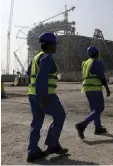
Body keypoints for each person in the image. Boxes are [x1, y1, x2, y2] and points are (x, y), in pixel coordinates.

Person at [26, 32, 68, 162]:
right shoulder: (47, 58)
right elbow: (42, 77)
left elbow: (28, 74)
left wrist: (36, 93)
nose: (56, 47)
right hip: (46, 95)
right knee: (60, 116)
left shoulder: (35, 58)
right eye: (55, 44)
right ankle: (52, 144)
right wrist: (43, 95)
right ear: (49, 45)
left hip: (32, 94)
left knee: (37, 122)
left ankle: (32, 151)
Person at [75, 45, 111, 140]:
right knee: (100, 108)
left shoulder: (86, 63)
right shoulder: (97, 62)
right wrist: (107, 88)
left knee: (94, 109)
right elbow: (102, 77)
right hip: (95, 88)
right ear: (97, 53)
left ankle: (98, 128)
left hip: (87, 88)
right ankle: (83, 124)